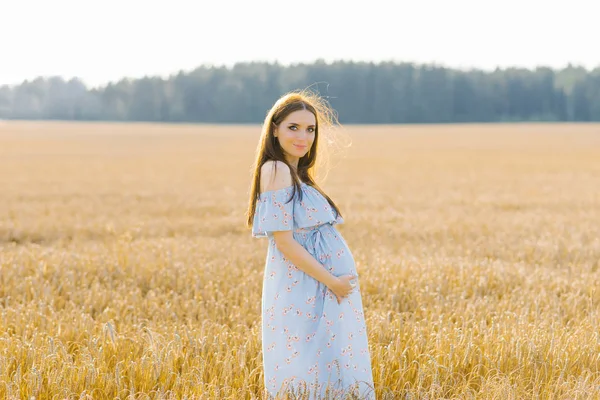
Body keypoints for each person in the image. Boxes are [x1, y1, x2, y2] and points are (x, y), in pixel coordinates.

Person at [246, 89, 376, 399]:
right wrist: (333, 282)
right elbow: (285, 243)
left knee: (325, 364)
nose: (303, 136)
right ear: (274, 129)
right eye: (294, 127)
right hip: (307, 286)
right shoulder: (275, 170)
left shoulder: (297, 174)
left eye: (310, 129)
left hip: (322, 286)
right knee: (307, 364)